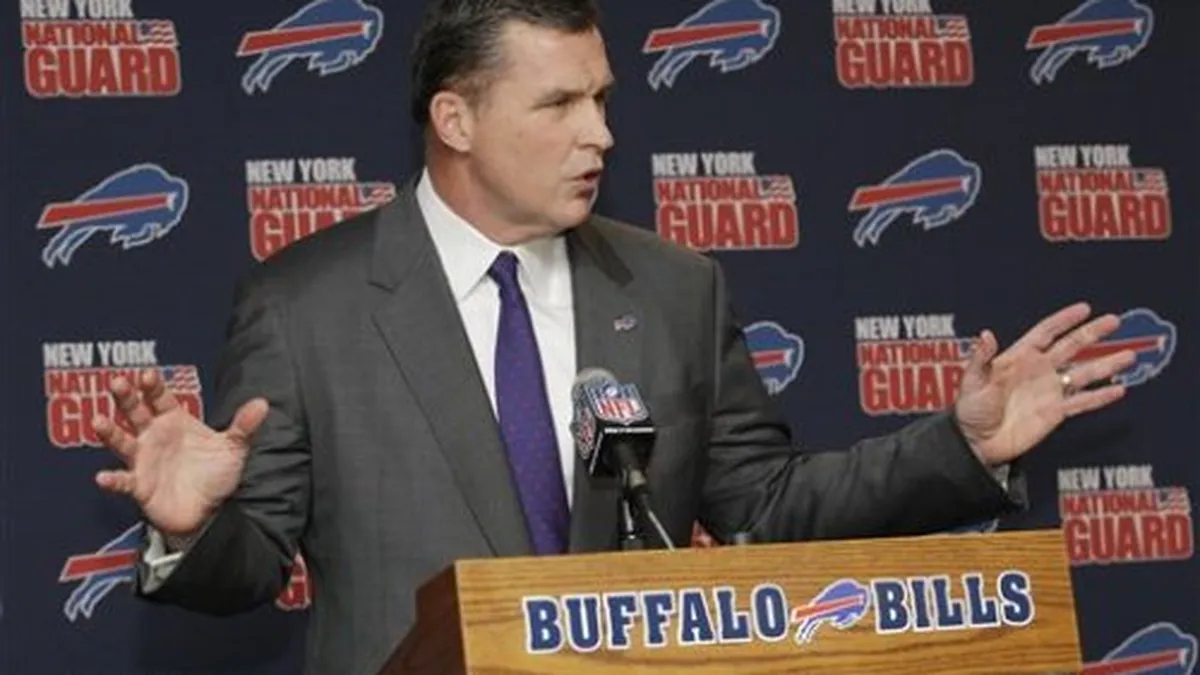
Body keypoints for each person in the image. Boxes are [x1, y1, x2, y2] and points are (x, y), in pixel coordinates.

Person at [90, 1, 1136, 673]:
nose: (601, 133)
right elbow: (249, 567)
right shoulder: (306, 304)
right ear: (455, 122)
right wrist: (191, 528)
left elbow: (765, 506)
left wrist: (963, 446)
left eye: (601, 98)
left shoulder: (675, 287)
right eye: (559, 103)